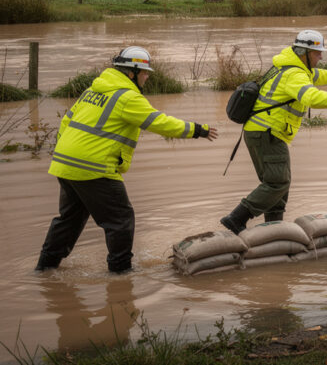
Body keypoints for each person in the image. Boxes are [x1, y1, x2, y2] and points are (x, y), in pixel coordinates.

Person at [36, 47, 219, 273]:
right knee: (120, 220)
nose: (147, 76)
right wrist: (197, 130)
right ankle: (120, 275)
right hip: (94, 168)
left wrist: (69, 155)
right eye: (144, 72)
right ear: (131, 73)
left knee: (69, 220)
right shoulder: (128, 97)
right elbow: (160, 122)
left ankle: (44, 268)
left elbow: (66, 123)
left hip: (64, 165)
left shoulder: (92, 91)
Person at [220, 30, 327, 234]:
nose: (321, 56)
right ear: (303, 52)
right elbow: (312, 97)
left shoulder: (293, 67)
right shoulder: (294, 74)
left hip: (262, 132)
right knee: (278, 182)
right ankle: (236, 218)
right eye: (317, 53)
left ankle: (274, 228)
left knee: (278, 185)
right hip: (267, 133)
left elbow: (319, 75)